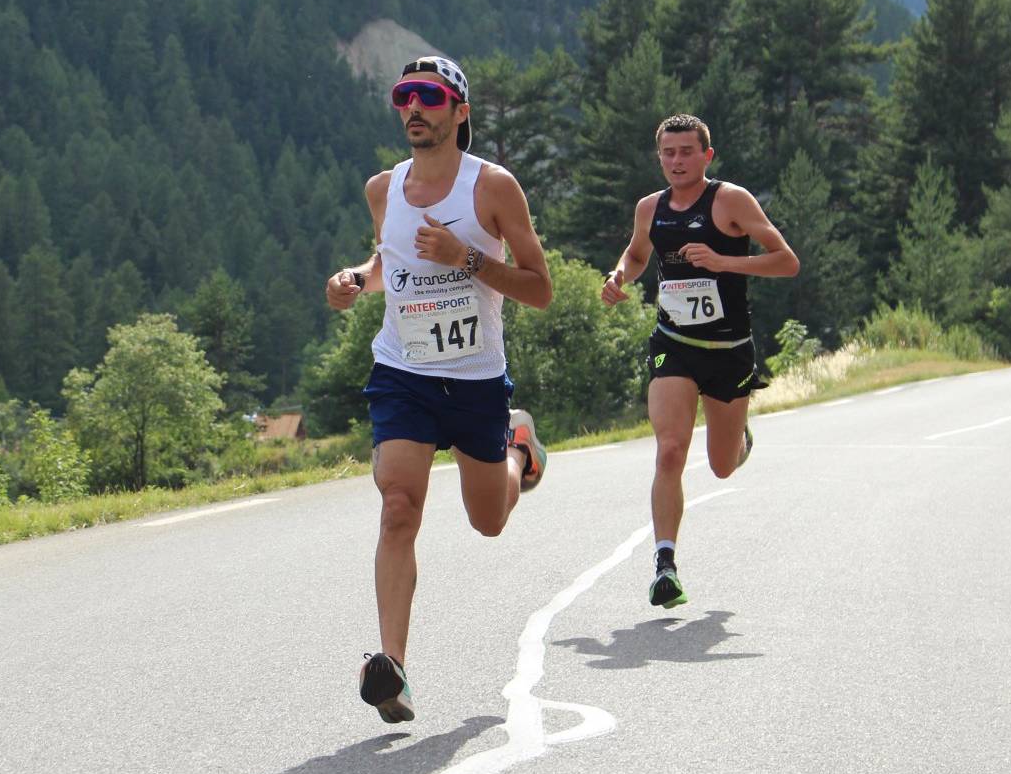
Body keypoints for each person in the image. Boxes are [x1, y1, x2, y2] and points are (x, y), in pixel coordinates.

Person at [324, 56, 554, 723]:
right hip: (405, 373)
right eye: (404, 96)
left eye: (429, 96)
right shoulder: (383, 189)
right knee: (399, 507)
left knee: (489, 521)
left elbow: (540, 288)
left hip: (476, 381)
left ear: (460, 111)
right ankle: (392, 668)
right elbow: (388, 261)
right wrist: (354, 280)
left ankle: (518, 448)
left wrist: (469, 259)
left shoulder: (493, 188)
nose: (414, 108)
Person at [599, 114, 799, 609]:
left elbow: (786, 260)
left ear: (707, 156)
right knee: (670, 450)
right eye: (668, 153)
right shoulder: (650, 208)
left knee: (722, 466)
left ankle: (739, 437)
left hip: (729, 350)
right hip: (674, 343)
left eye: (687, 152)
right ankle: (665, 565)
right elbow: (637, 255)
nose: (677, 161)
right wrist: (618, 276)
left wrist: (723, 261)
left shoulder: (731, 200)